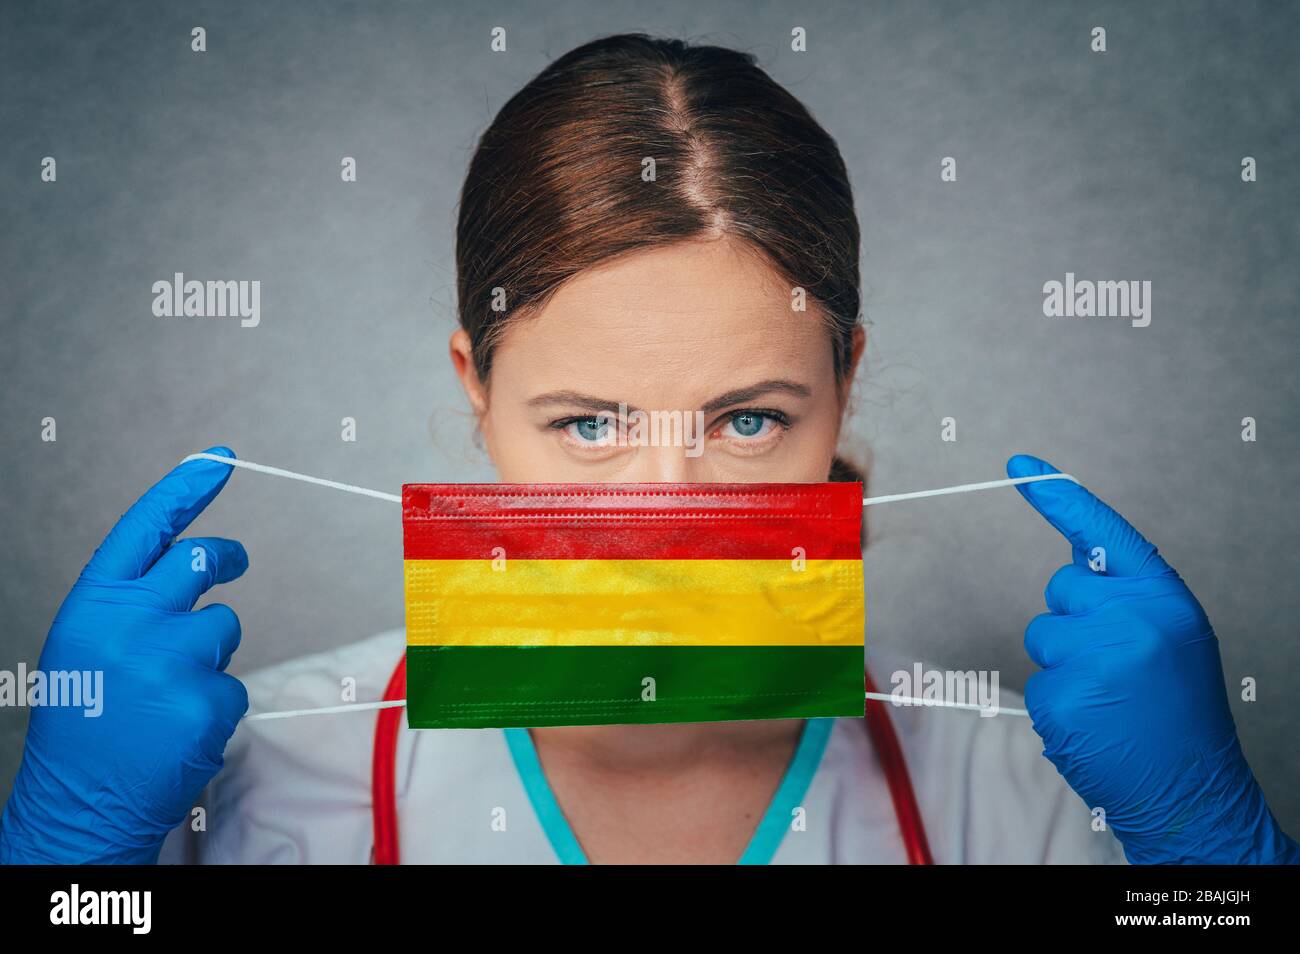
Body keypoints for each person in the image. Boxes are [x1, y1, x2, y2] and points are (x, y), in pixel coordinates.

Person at [1, 34, 1295, 865]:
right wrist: (66, 868)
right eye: (587, 424)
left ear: (842, 387)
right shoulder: (245, 779)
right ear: (476, 388)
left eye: (749, 420)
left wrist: (1215, 856)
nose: (663, 507)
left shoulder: (1032, 790)